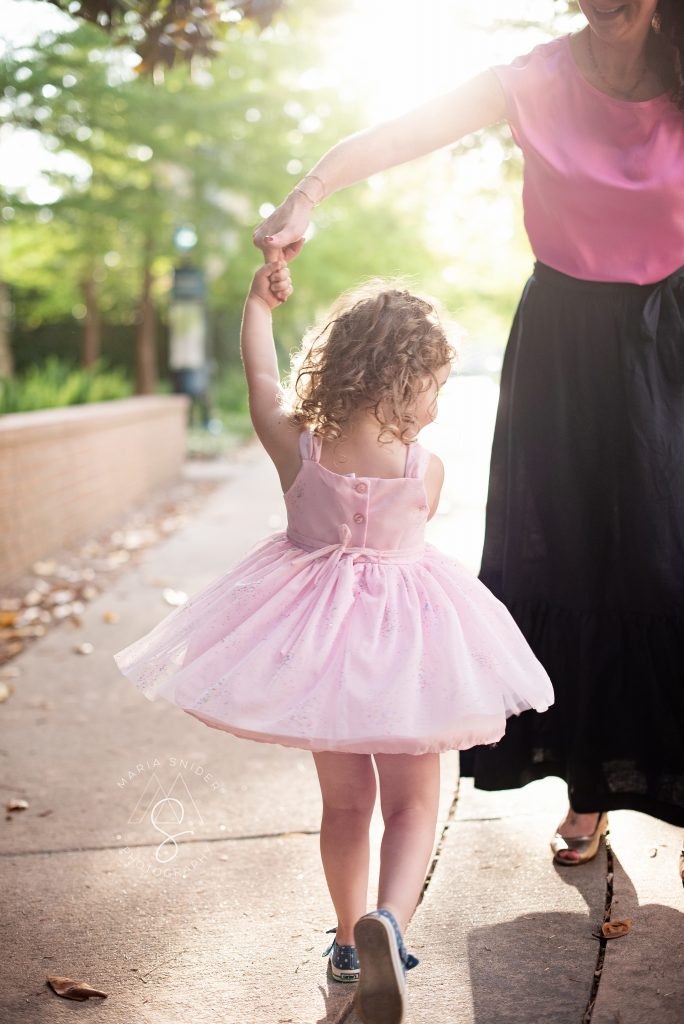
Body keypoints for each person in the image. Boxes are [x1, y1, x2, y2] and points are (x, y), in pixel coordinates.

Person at [252, 0, 684, 878]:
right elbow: (406, 130)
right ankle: (589, 786)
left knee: (668, 558)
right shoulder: (535, 78)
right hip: (564, 344)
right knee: (569, 556)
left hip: (673, 336)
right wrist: (308, 192)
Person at [113, 257, 553, 1023]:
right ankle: (391, 924)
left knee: (345, 805)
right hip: (410, 649)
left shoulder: (299, 446)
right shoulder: (424, 468)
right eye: (435, 386)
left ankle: (348, 947)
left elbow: (257, 378)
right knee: (415, 803)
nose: (439, 405)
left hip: (320, 650)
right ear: (400, 381)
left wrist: (258, 303)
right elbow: (406, 543)